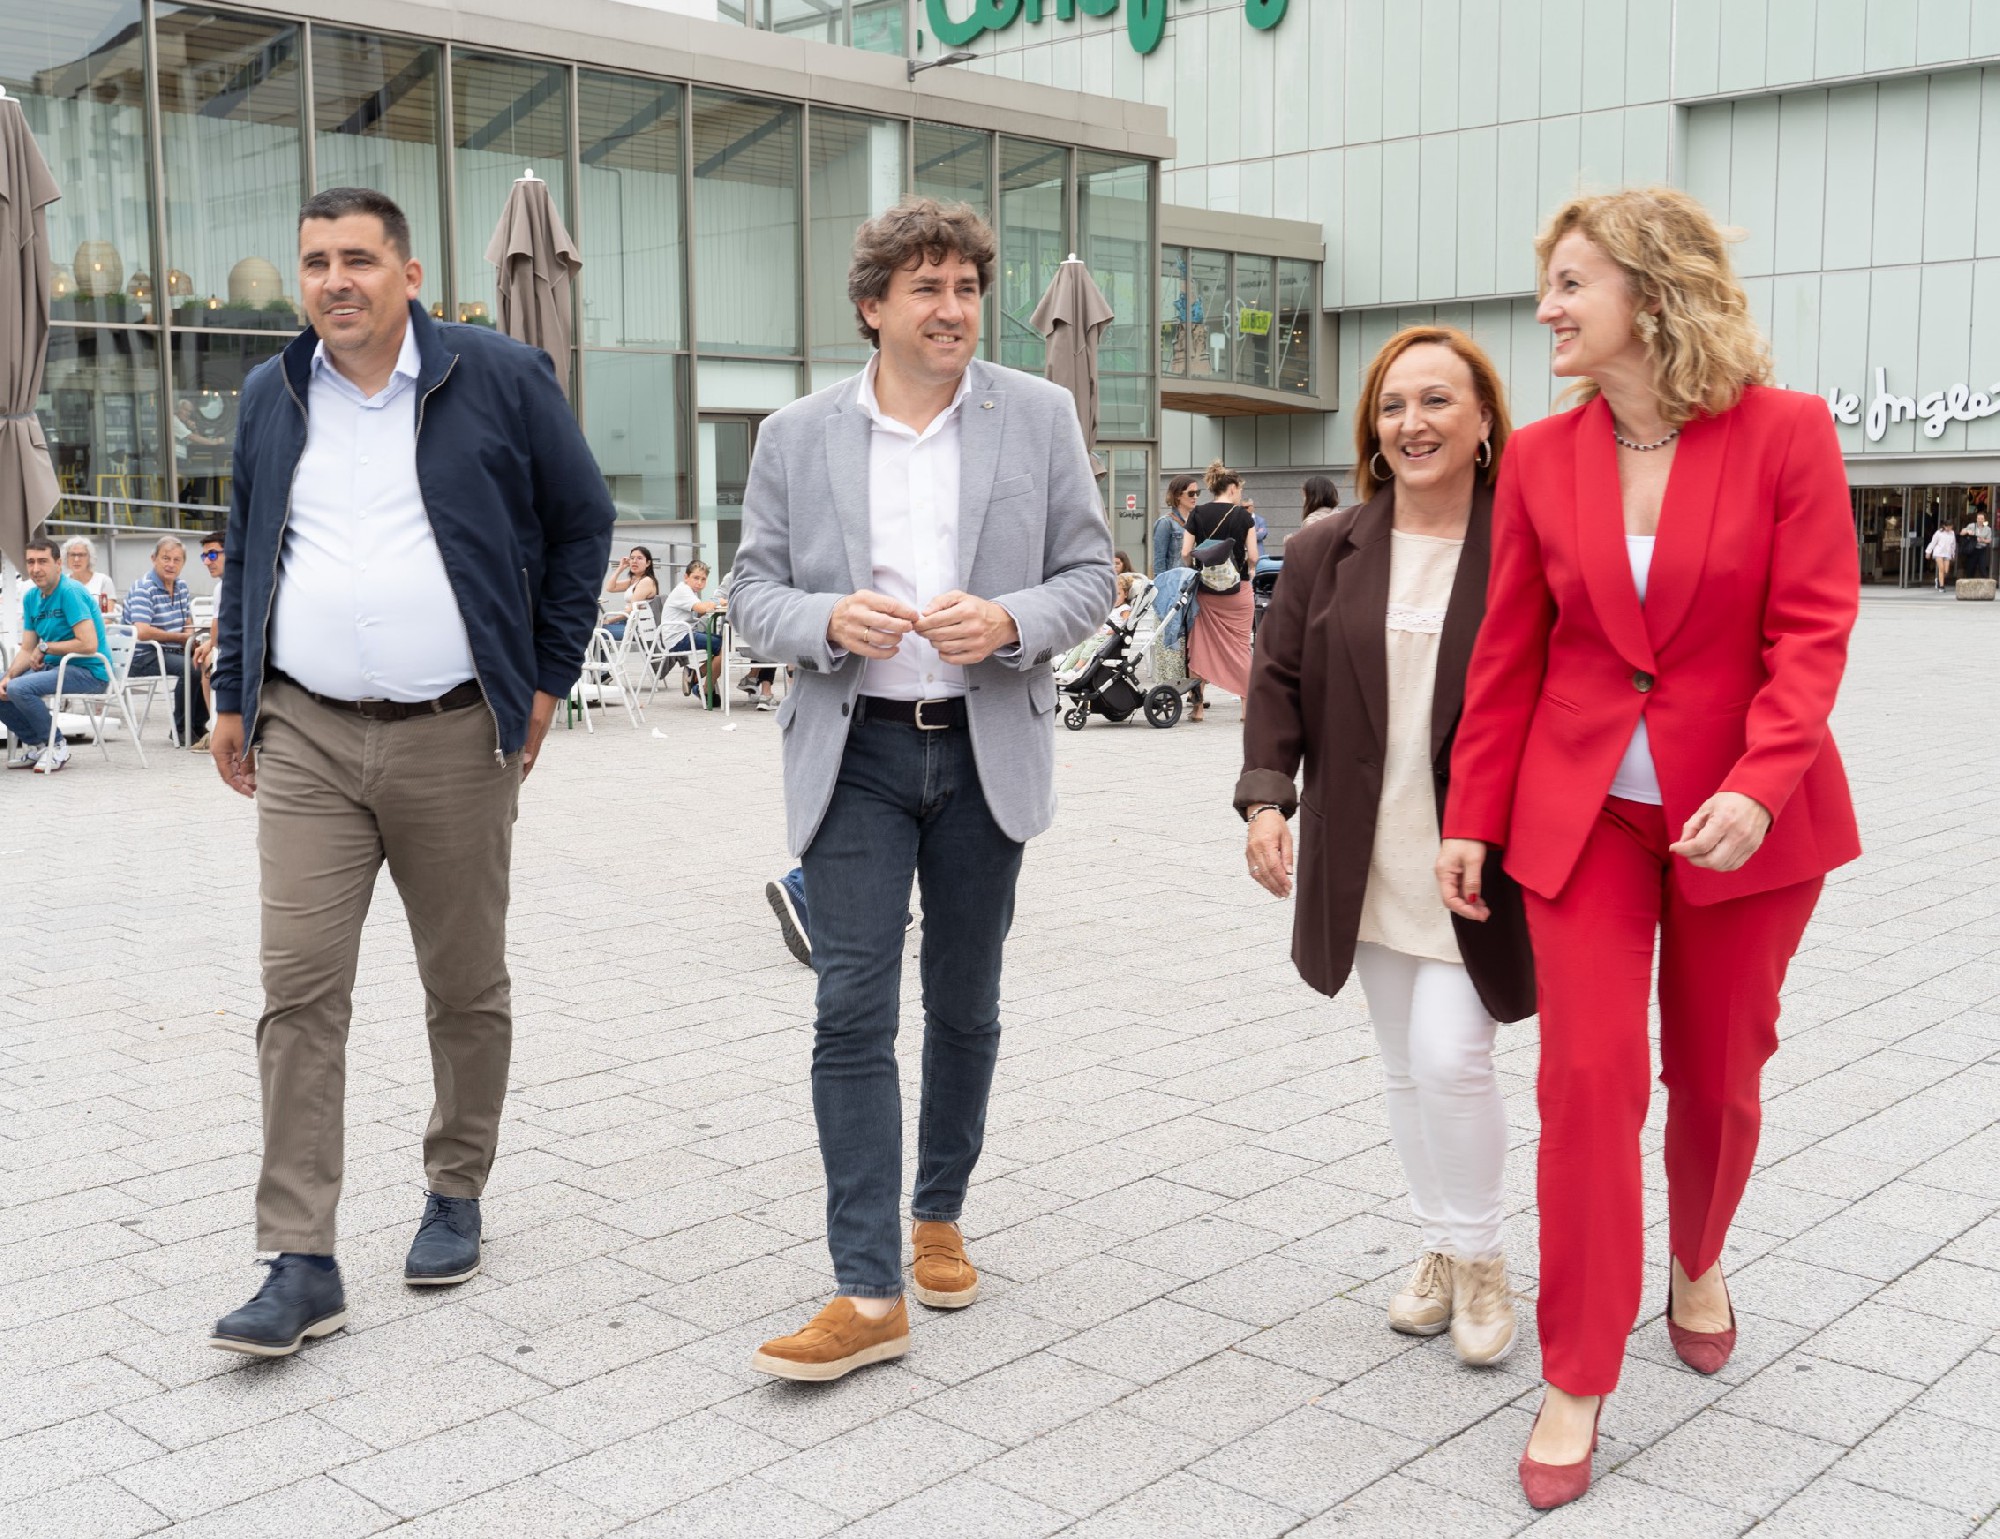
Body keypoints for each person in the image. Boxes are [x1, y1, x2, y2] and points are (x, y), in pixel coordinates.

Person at [1435, 187, 1859, 1509]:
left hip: (1743, 814)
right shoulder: (1547, 461)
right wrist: (1471, 810)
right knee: (1591, 1075)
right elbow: (1509, 651)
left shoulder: (1785, 435)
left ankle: (1699, 1253)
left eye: (1570, 282)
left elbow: (1813, 630)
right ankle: (1577, 1370)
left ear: (1652, 289)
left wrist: (1761, 777)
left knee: (1721, 1075)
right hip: (1584, 819)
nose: (1548, 307)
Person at [206, 186, 613, 1358]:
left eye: (359, 260)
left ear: (411, 273)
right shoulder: (270, 393)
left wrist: (542, 681)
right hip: (306, 734)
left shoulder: (496, 376)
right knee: (297, 990)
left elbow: (582, 525)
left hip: (455, 732)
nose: (336, 281)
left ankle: (455, 1185)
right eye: (316, 262)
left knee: (463, 983)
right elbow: (248, 543)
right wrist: (234, 693)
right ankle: (299, 1257)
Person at [731, 195, 1112, 1381]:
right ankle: (864, 1287)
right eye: (926, 290)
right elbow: (748, 595)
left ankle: (936, 1210)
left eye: (964, 289)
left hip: (983, 739)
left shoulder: (1037, 414)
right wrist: (820, 617)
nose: (951, 310)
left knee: (964, 998)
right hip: (855, 750)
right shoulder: (795, 435)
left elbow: (1091, 576)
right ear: (872, 306)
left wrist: (1005, 619)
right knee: (850, 1005)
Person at [1238, 327, 1535, 1369]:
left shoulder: (1525, 541)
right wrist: (1267, 801)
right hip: (1362, 854)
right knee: (1402, 1066)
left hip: (1476, 853)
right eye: (1393, 404)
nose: (1412, 423)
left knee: (1454, 1059)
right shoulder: (1330, 546)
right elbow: (1274, 679)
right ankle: (1438, 1246)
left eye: (1437, 402)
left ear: (1484, 420)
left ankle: (1484, 1256)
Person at [0, 536, 109, 773]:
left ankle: (57, 745)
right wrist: (9, 675)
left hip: (90, 671)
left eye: (43, 561)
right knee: (4, 685)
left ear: (58, 564)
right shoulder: (31, 597)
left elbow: (88, 644)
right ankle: (40, 744)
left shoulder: (70, 592)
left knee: (20, 688)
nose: (36, 569)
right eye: (30, 562)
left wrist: (45, 647)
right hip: (55, 668)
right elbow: (27, 648)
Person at [1181, 459, 1258, 722]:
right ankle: (1248, 711)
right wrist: (1247, 570)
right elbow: (1255, 557)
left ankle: (1198, 709)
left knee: (1199, 647)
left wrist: (1201, 566)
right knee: (1240, 647)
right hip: (1238, 591)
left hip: (1206, 591)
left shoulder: (1197, 514)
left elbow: (1184, 553)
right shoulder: (1243, 516)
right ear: (1233, 488)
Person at [125, 535, 209, 747]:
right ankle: (181, 728)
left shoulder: (181, 587)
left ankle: (198, 724)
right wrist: (181, 638)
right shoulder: (144, 588)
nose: (171, 564)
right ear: (154, 559)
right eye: (166, 558)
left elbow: (187, 624)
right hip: (140, 655)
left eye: (176, 560)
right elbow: (142, 632)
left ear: (183, 564)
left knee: (208, 663)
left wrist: (193, 642)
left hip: (170, 652)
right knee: (192, 668)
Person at [659, 559, 725, 704]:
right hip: (678, 637)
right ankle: (703, 687)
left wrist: (710, 603)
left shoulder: (689, 592)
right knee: (725, 647)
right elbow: (702, 609)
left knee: (724, 646)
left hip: (682, 634)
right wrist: (719, 602)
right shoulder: (683, 590)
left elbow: (698, 613)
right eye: (696, 578)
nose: (699, 582)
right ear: (686, 577)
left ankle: (695, 676)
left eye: (703, 579)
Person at [191, 531, 226, 750]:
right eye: (204, 556)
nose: (206, 562)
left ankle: (218, 730)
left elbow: (217, 633)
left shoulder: (225, 586)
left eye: (212, 555)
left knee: (207, 662)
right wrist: (208, 644)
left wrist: (210, 644)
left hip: (248, 655)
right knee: (204, 657)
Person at [604, 546, 659, 640]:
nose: (634, 561)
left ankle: (600, 655)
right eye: (632, 558)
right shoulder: (634, 580)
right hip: (630, 622)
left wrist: (609, 620)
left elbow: (631, 610)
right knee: (597, 629)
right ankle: (602, 655)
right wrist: (620, 568)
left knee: (598, 631)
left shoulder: (646, 581)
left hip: (638, 628)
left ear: (648, 563)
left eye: (639, 558)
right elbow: (610, 588)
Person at [1153, 473, 1198, 575]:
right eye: (1191, 493)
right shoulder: (1165, 523)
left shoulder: (1196, 521)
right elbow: (1159, 561)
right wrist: (1162, 587)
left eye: (1197, 493)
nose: (1195, 497)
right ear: (1178, 495)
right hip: (1174, 584)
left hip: (1193, 582)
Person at [61, 536, 117, 614]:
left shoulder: (103, 581)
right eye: (72, 555)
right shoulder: (62, 583)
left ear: (90, 557)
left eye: (81, 555)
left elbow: (108, 617)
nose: (76, 559)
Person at [1925, 518, 1956, 590]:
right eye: (1947, 526)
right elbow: (1933, 543)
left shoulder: (1952, 533)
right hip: (1938, 552)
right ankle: (1942, 586)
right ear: (1944, 526)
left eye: (1950, 526)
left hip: (1947, 553)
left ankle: (1938, 580)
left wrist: (1953, 554)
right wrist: (1928, 552)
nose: (1949, 528)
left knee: (1946, 570)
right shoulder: (1938, 533)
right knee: (1941, 568)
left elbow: (1953, 545)